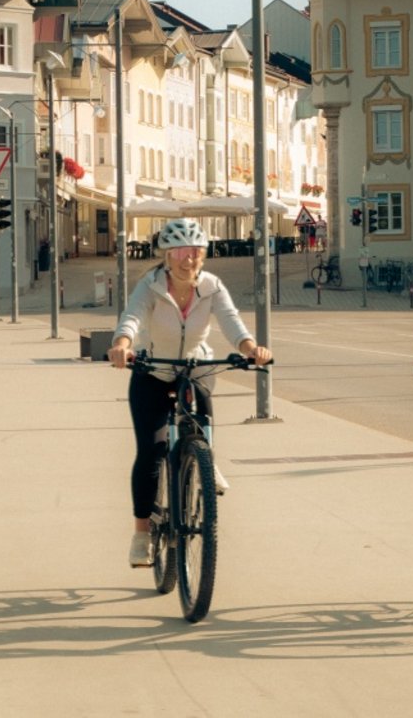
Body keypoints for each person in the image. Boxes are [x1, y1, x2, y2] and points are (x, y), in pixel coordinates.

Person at [107, 218, 272, 568]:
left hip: (195, 368)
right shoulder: (150, 286)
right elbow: (131, 319)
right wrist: (121, 345)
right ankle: (141, 535)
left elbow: (231, 321)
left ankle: (205, 460)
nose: (189, 259)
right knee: (151, 452)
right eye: (181, 252)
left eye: (196, 251)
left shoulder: (212, 286)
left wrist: (249, 347)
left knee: (201, 410)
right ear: (166, 256)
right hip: (153, 371)